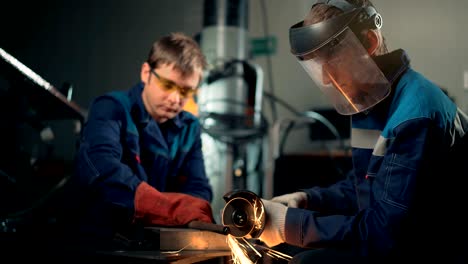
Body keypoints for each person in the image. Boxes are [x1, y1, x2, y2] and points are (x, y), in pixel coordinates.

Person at [258, 0, 468, 263]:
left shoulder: (415, 116)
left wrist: (290, 225)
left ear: (368, 42)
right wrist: (307, 200)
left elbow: (383, 233)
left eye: (332, 62)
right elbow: (364, 188)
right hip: (401, 237)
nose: (325, 78)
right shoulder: (371, 103)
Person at [60, 32, 215, 256]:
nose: (175, 99)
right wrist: (167, 208)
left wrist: (192, 211)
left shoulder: (190, 127)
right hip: (97, 240)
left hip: (154, 245)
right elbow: (101, 168)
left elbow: (198, 187)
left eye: (185, 91)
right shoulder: (111, 107)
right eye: (168, 85)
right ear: (146, 73)